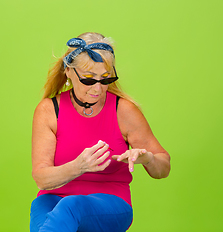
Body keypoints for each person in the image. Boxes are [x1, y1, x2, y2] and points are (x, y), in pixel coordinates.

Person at [30, 32, 171, 232]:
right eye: (88, 80)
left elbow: (163, 167)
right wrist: (78, 166)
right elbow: (41, 178)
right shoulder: (49, 110)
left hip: (111, 203)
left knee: (71, 207)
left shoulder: (124, 111)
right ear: (69, 72)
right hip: (52, 199)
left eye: (105, 79)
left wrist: (148, 159)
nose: (98, 88)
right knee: (46, 218)